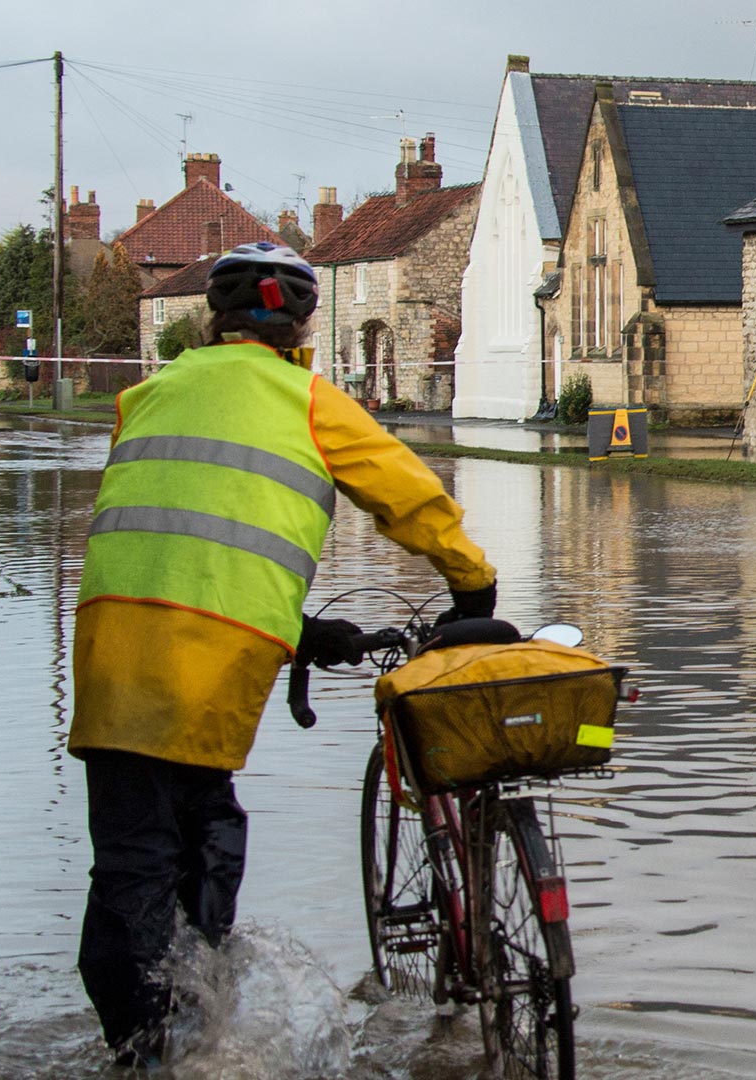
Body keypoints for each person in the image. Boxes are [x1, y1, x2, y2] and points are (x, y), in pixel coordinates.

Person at [68, 242, 498, 1067]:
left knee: (133, 853)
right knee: (195, 840)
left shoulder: (145, 396)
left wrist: (297, 630)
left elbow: (180, 533)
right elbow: (409, 495)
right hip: (211, 658)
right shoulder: (308, 401)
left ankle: (146, 1038)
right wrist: (473, 587)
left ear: (212, 321)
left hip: (110, 646)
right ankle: (182, 1031)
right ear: (301, 323)